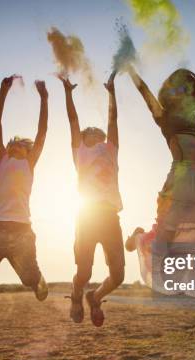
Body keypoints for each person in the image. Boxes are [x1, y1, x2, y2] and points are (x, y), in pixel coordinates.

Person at [124, 67, 195, 291]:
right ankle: (140, 238)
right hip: (180, 179)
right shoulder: (164, 118)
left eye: (186, 89)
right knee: (165, 236)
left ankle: (188, 277)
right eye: (177, 89)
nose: (182, 93)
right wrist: (130, 69)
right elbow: (144, 92)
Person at [0, 75, 49, 301]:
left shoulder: (29, 163)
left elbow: (42, 133)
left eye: (18, 145)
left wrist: (44, 99)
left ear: (27, 151)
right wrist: (3, 92)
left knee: (30, 279)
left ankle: (38, 279)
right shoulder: (0, 160)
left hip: (21, 232)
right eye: (9, 144)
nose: (12, 146)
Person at [59, 72, 124, 327]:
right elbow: (73, 120)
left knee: (118, 275)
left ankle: (94, 297)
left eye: (100, 132)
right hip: (86, 218)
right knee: (84, 272)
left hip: (110, 217)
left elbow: (113, 120)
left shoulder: (111, 150)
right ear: (83, 140)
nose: (97, 133)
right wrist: (68, 94)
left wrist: (112, 92)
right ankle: (77, 294)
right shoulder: (80, 152)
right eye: (91, 132)